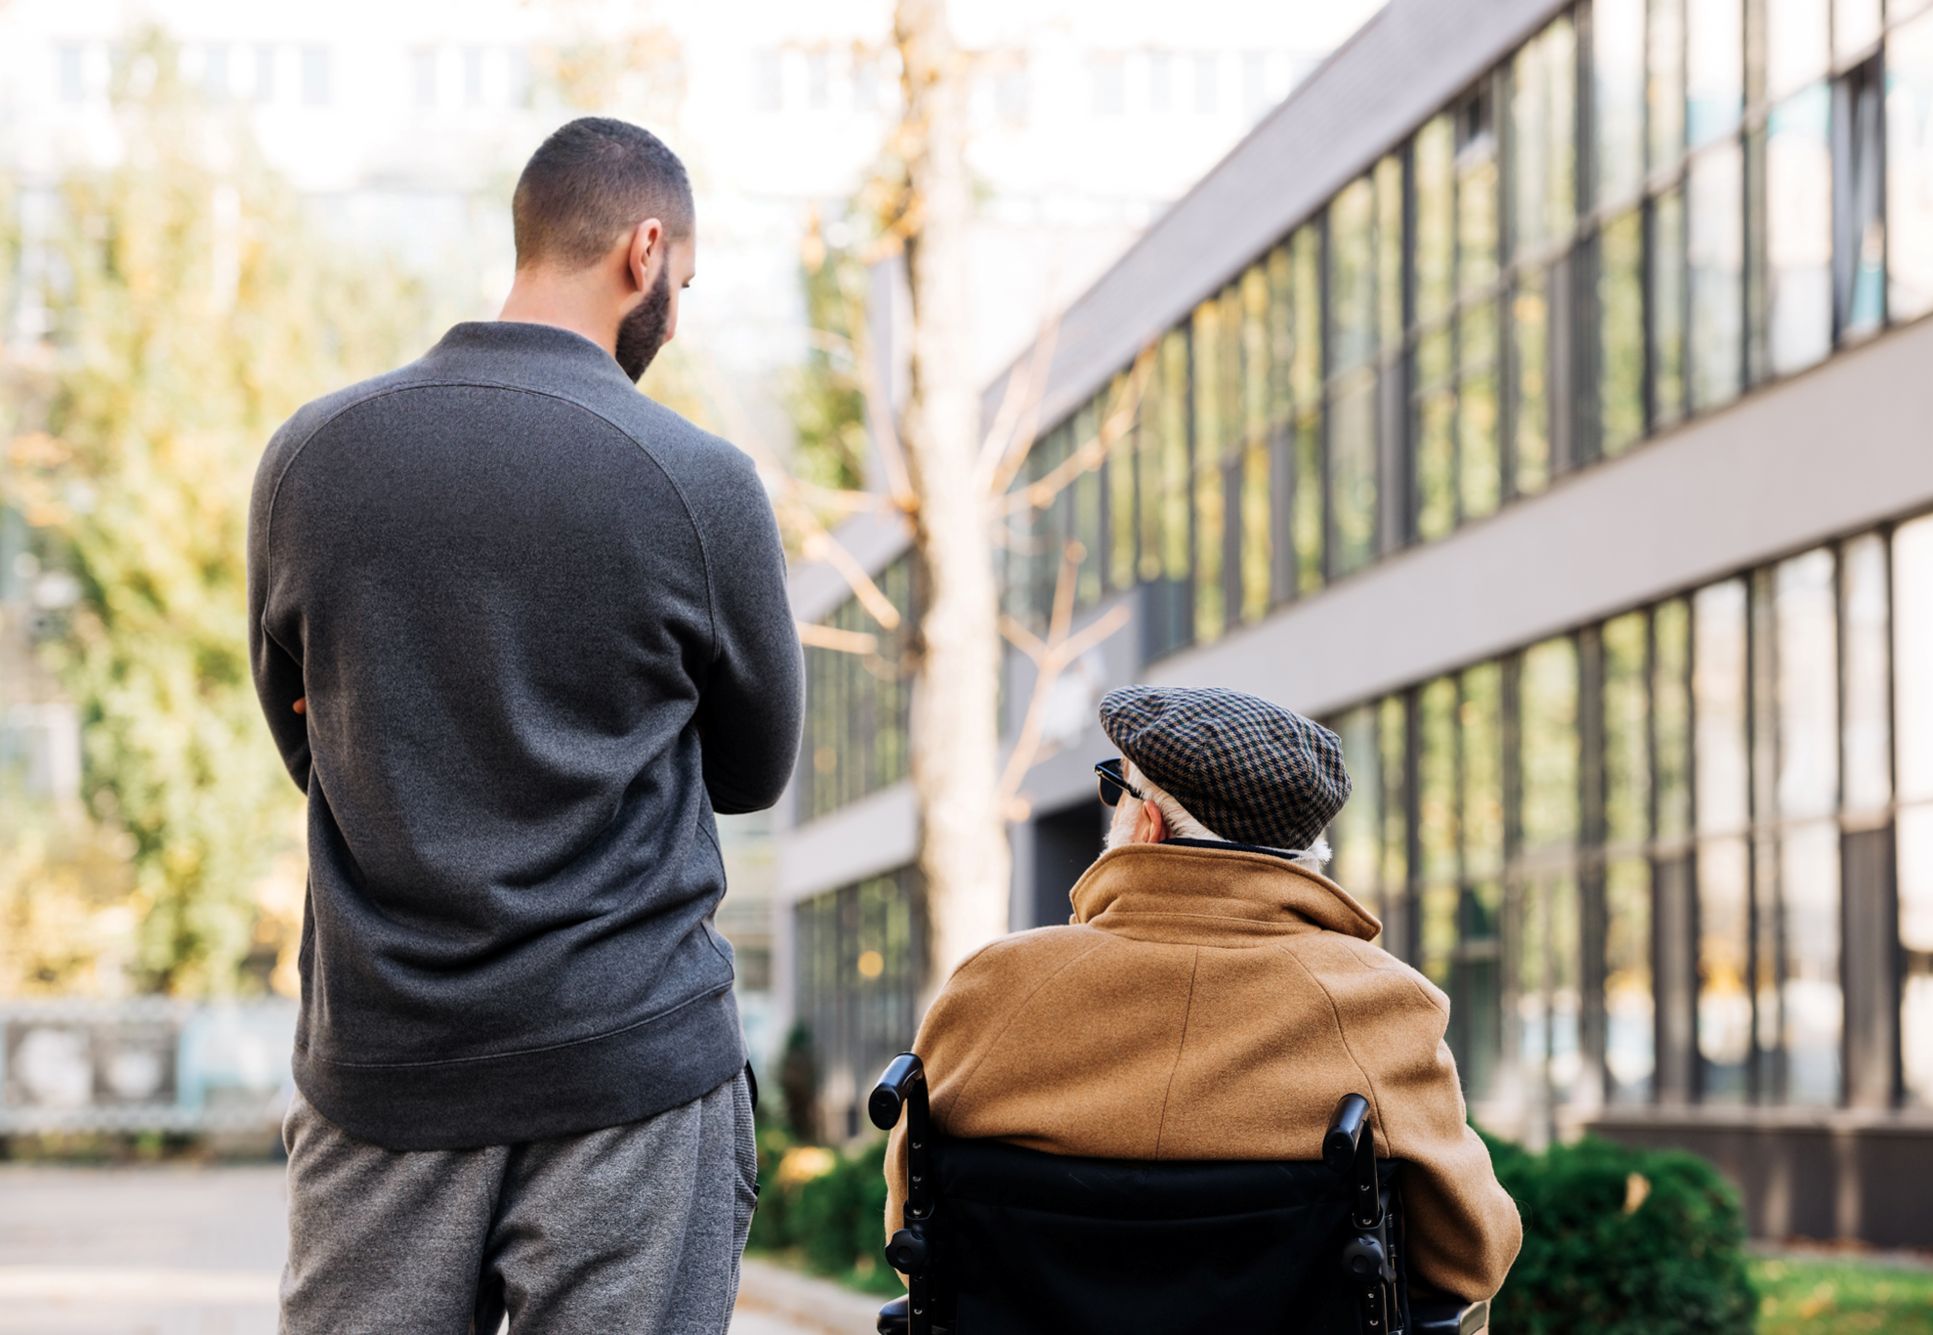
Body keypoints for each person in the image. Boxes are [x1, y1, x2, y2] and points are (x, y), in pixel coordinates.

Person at [249, 117, 802, 1334]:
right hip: (630, 1069)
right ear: (643, 251)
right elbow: (754, 771)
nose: (677, 314)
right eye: (685, 286)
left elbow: (310, 741)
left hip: (383, 1067)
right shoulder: (696, 480)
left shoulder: (310, 458)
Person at [885, 685, 1522, 1305]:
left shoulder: (993, 990)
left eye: (1116, 789)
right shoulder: (1382, 1005)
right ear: (1305, 852)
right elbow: (1471, 1258)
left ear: (1148, 823)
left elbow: (911, 1239)